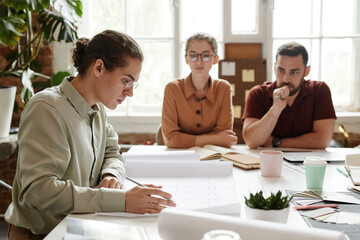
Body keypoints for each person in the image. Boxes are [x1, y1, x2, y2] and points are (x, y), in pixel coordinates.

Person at [5, 30, 175, 239]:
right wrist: (121, 200)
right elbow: (38, 191)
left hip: (78, 227)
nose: (130, 92)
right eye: (126, 81)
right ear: (99, 67)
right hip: (41, 235)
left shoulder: (97, 109)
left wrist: (111, 175)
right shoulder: (47, 108)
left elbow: (113, 153)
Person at [242, 42, 336, 149]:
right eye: (281, 71)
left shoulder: (319, 91)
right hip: (269, 159)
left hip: (307, 161)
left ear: (306, 71)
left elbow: (322, 141)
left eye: (294, 72)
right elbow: (251, 141)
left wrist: (276, 142)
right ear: (274, 68)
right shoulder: (258, 93)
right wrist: (275, 110)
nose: (285, 79)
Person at [161, 33, 238, 148]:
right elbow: (171, 139)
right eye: (193, 55)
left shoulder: (224, 88)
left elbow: (225, 135)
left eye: (206, 55)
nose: (199, 61)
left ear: (215, 59)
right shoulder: (172, 89)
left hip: (214, 156)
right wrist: (216, 138)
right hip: (179, 156)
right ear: (186, 59)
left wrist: (185, 139)